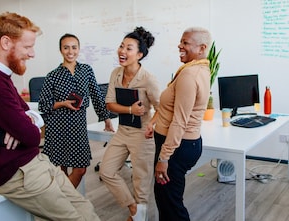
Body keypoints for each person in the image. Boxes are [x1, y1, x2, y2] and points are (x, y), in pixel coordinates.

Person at [0, 12, 100, 221]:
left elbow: (32, 115)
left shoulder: (2, 77)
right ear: (6, 42)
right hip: (18, 174)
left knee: (86, 210)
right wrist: (26, 126)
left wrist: (27, 121)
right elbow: (33, 136)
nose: (32, 53)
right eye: (27, 47)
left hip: (35, 162)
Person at [148, 27, 212, 221]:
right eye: (181, 41)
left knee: (171, 204)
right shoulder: (200, 68)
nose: (180, 46)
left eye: (185, 43)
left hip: (176, 147)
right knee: (167, 198)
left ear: (201, 48)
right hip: (185, 144)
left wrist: (164, 158)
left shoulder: (189, 75)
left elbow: (179, 121)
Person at [99, 27, 161, 221]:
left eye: (129, 48)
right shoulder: (116, 73)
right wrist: (129, 110)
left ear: (140, 54)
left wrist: (152, 123)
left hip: (142, 133)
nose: (122, 51)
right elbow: (109, 103)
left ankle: (139, 215)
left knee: (141, 180)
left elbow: (163, 108)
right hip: (122, 131)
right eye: (121, 46)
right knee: (106, 171)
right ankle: (133, 207)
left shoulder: (148, 79)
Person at [38, 33, 114, 188]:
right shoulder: (52, 76)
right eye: (66, 48)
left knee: (80, 169)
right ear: (60, 50)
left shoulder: (86, 70)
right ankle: (66, 205)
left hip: (78, 126)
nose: (70, 51)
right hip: (57, 127)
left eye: (74, 47)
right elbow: (43, 105)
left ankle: (64, 201)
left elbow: (96, 95)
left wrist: (106, 118)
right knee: (61, 170)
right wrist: (63, 103)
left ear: (79, 49)